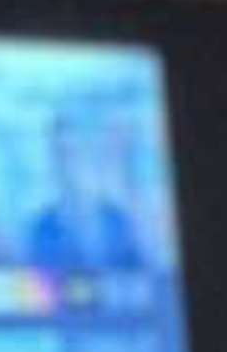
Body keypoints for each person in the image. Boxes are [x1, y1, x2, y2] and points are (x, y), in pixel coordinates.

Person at [23, 111, 146, 279]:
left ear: (87, 156)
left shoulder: (117, 221)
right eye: (58, 156)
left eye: (72, 153)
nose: (67, 166)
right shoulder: (41, 230)